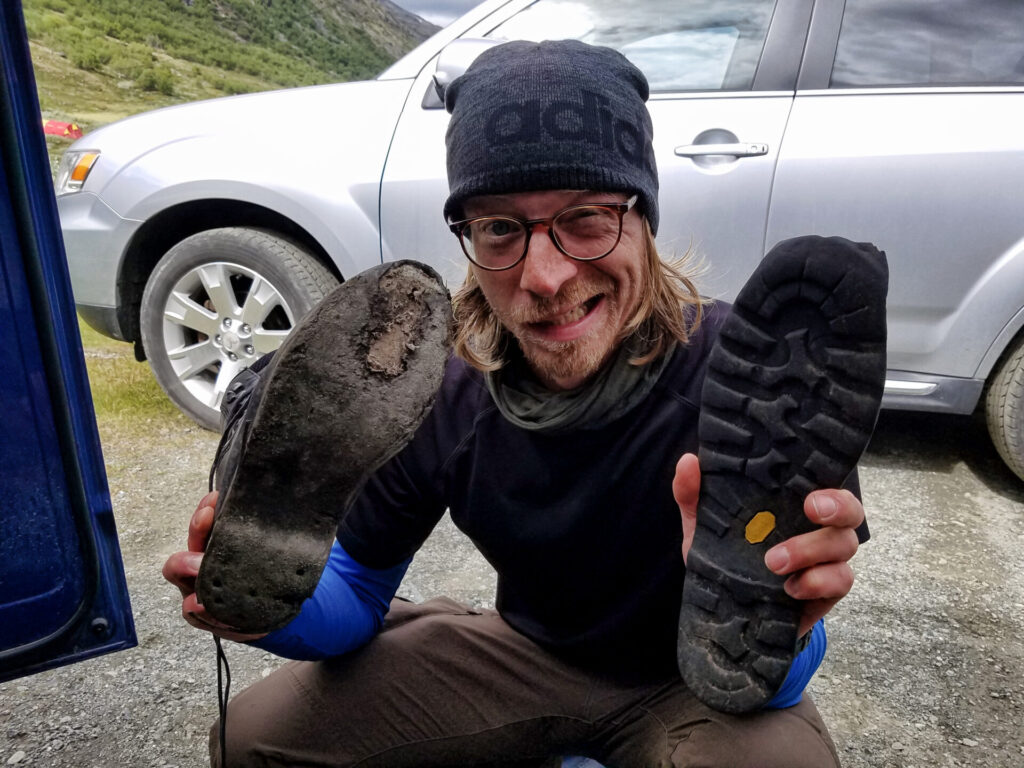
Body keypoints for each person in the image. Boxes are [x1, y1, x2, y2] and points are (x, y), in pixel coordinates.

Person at [163, 40, 868, 767]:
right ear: (467, 236)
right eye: (499, 227)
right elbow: (353, 591)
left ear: (644, 219)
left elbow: (774, 679)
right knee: (253, 740)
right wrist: (263, 606)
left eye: (588, 216)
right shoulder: (442, 386)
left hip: (693, 685)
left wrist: (784, 614)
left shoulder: (754, 384)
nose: (544, 274)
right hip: (525, 658)